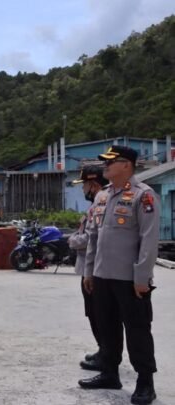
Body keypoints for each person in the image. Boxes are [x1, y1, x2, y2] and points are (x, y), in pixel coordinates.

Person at [79, 146, 159, 405]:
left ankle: (145, 381)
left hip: (129, 278)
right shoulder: (102, 196)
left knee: (137, 330)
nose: (105, 166)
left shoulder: (143, 195)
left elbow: (149, 240)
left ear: (127, 165)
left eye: (110, 162)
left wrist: (142, 277)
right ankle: (109, 373)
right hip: (102, 276)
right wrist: (89, 271)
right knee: (107, 327)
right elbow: (93, 237)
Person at [68, 165, 108, 372]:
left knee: (99, 313)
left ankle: (107, 354)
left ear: (92, 184)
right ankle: (104, 351)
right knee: (94, 313)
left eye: (84, 185)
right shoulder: (96, 204)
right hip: (89, 267)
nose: (83, 189)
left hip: (94, 269)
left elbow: (92, 238)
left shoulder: (99, 205)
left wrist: (73, 240)